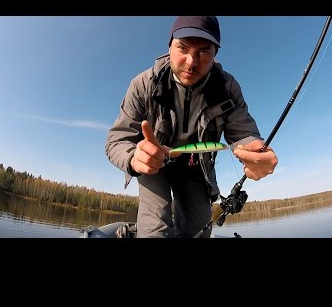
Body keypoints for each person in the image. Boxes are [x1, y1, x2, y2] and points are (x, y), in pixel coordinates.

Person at [105, 16, 278, 238]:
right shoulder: (143, 85)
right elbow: (116, 141)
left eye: (203, 51)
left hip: (196, 169)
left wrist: (257, 153)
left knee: (199, 229)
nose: (191, 61)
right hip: (154, 165)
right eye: (183, 48)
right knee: (154, 228)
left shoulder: (227, 88)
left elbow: (245, 136)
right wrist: (133, 158)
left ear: (215, 52)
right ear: (170, 46)